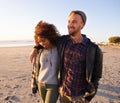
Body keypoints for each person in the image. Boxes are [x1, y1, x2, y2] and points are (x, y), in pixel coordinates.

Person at [30, 10, 103, 103]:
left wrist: (88, 96)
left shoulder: (93, 49)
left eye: (74, 22)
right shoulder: (62, 41)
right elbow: (46, 40)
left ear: (82, 25)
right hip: (63, 94)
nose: (70, 24)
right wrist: (35, 48)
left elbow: (96, 76)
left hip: (80, 97)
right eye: (69, 21)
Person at [31, 20, 61, 103]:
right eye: (39, 41)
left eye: (44, 40)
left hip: (54, 85)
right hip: (40, 84)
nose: (42, 43)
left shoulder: (60, 48)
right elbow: (36, 69)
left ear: (50, 37)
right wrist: (35, 48)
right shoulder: (40, 50)